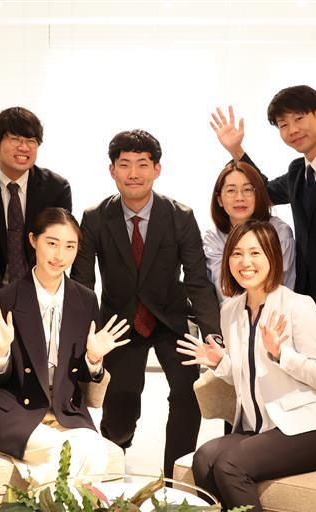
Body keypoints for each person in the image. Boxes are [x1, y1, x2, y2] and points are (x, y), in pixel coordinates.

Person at [71, 129, 221, 478]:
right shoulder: (95, 217)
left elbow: (197, 280)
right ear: (112, 170)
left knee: (187, 391)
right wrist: (84, 337)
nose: (134, 173)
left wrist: (213, 334)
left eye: (142, 164)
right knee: (121, 400)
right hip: (119, 321)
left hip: (171, 318)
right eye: (124, 164)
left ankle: (175, 478)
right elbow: (82, 282)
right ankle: (113, 464)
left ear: (157, 169)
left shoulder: (180, 216)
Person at [178, 220, 316, 512]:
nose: (245, 262)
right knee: (203, 459)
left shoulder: (298, 306)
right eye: (236, 254)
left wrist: (281, 354)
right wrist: (219, 363)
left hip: (306, 430)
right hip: (257, 430)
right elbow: (244, 375)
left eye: (255, 253)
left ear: (272, 257)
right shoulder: (230, 311)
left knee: (229, 465)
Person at [0, 207, 129, 485]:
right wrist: (1, 351)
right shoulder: (7, 297)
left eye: (70, 246)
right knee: (62, 453)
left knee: (95, 451)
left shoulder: (86, 300)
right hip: (15, 408)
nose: (59, 255)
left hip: (65, 409)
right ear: (33, 240)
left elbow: (84, 375)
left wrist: (93, 358)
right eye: (52, 243)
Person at [210, 85, 316, 347]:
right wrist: (236, 150)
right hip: (308, 302)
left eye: (299, 118)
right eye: (283, 124)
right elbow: (263, 192)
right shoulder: (297, 171)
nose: (292, 130)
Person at [0, 107, 72, 304]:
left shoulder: (56, 188)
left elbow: (56, 247)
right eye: (15, 139)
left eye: (31, 141)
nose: (24, 147)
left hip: (42, 296)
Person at [203, 160, 295, 303]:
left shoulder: (280, 232)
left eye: (247, 190)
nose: (239, 198)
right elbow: (225, 290)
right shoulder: (213, 238)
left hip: (277, 312)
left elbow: (283, 287)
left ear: (259, 195)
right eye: (231, 190)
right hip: (232, 313)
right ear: (219, 199)